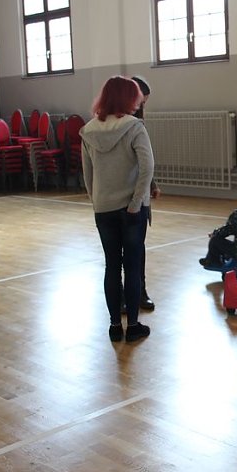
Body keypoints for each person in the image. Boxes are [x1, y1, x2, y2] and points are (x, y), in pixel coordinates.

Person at [80, 76, 154, 343]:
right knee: (132, 267)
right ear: (127, 97)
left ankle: (114, 326)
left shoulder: (88, 130)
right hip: (132, 211)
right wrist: (136, 203)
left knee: (112, 266)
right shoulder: (135, 127)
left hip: (104, 208)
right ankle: (133, 326)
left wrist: (96, 200)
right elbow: (147, 168)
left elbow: (87, 174)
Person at [123, 75, 157, 312]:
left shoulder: (138, 124)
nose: (142, 105)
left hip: (137, 197)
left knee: (136, 250)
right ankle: (130, 297)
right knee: (127, 253)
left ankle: (138, 293)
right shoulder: (126, 124)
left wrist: (151, 184)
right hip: (126, 199)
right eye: (141, 101)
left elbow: (145, 161)